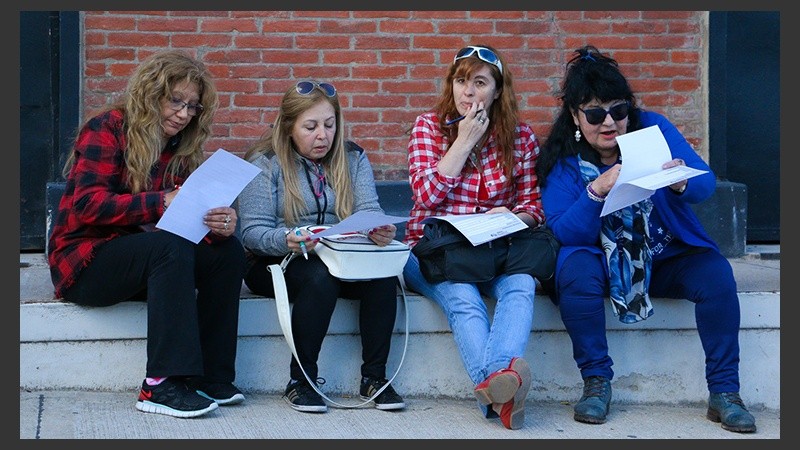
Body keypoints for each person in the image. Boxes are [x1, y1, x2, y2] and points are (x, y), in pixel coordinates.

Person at [535, 45, 757, 433]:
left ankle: (724, 394)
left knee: (717, 274)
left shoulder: (652, 129)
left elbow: (704, 184)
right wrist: (596, 192)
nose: (609, 123)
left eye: (618, 111)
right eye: (595, 113)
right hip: (601, 263)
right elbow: (563, 230)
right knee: (573, 268)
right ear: (575, 116)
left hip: (664, 255)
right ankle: (596, 383)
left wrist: (682, 179)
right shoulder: (564, 159)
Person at [47, 50, 247, 419]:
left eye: (192, 107)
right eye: (175, 101)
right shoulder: (106, 129)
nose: (183, 114)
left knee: (228, 253)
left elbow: (183, 220)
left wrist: (217, 227)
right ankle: (159, 385)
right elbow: (87, 206)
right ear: (150, 93)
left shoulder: (181, 147)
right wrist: (160, 202)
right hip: (86, 262)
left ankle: (209, 376)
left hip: (147, 257)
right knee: (167, 248)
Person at [237, 80, 405, 414]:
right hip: (275, 261)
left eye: (329, 125)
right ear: (288, 127)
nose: (322, 136)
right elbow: (252, 234)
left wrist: (377, 230)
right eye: (310, 127)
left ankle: (375, 379)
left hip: (340, 256)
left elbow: (368, 211)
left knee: (383, 277)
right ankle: (301, 381)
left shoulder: (353, 157)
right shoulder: (264, 162)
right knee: (319, 277)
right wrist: (287, 239)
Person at [401, 45, 545, 430]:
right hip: (432, 253)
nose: (467, 91)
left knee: (521, 283)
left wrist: (512, 215)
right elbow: (425, 197)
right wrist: (463, 141)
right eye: (461, 80)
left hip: (494, 250)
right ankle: (503, 388)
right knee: (464, 298)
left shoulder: (521, 137)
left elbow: (534, 206)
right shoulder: (429, 127)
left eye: (479, 82)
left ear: (498, 90)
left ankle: (496, 391)